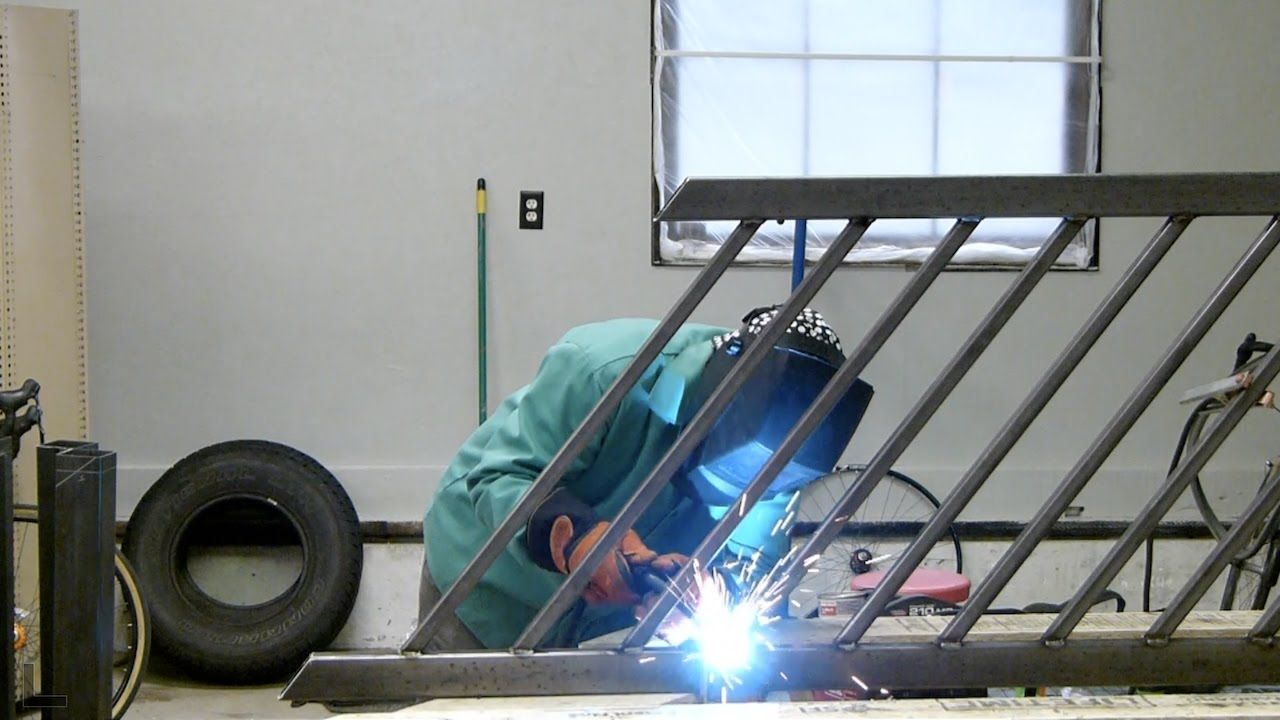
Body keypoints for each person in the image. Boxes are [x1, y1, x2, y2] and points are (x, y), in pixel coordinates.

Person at [419, 306, 874, 650]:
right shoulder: (604, 371)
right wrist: (578, 538)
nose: (745, 487)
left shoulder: (784, 466)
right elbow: (500, 476)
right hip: (485, 592)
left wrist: (702, 597)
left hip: (593, 629)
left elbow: (750, 569)